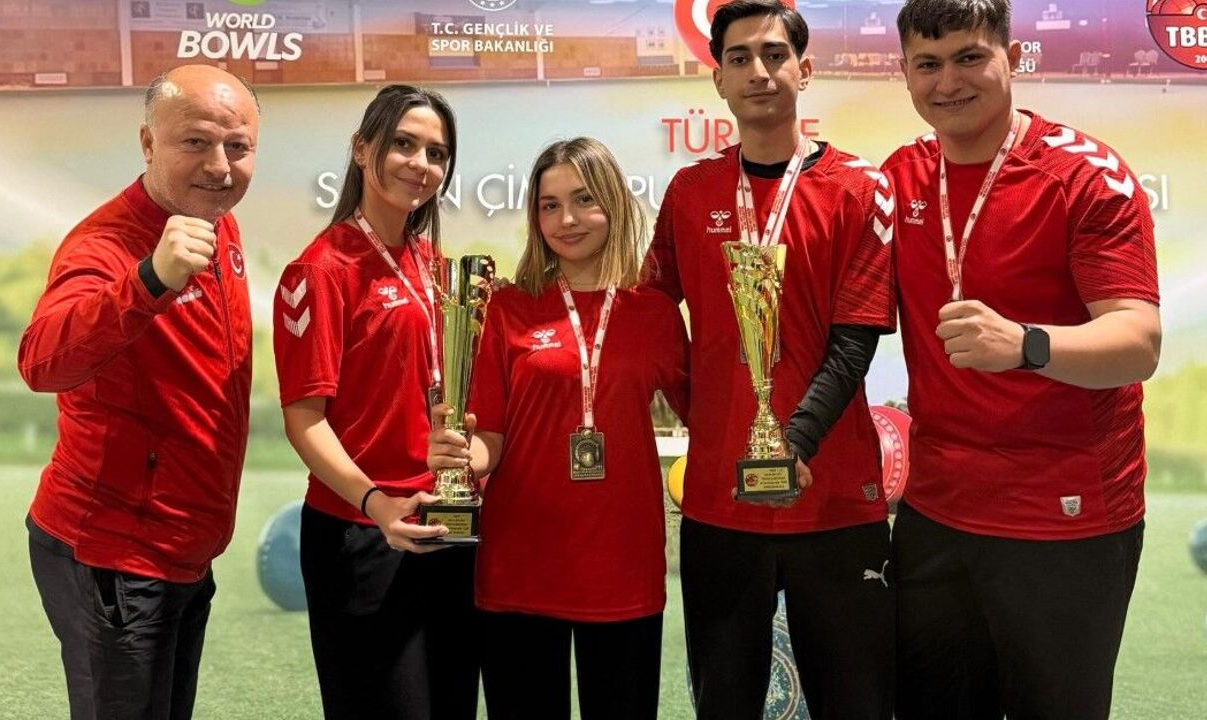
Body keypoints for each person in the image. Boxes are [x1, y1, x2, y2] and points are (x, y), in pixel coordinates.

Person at [882, 1, 1161, 718]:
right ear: (905, 73)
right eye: (928, 64)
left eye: (970, 58)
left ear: (1012, 57)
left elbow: (1138, 342)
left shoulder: (1085, 177)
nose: (949, 82)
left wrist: (1027, 344)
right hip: (937, 512)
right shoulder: (900, 177)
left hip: (1064, 515)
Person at [643, 1, 897, 717]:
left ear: (804, 70)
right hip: (720, 506)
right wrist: (706, 415)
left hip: (836, 501)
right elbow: (651, 319)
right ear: (718, 79)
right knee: (724, 704)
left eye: (775, 54)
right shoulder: (689, 193)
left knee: (858, 705)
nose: (759, 70)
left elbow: (855, 341)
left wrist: (794, 441)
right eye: (740, 57)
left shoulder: (860, 188)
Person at [18, 65, 260, 720]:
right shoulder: (105, 246)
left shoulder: (218, 223)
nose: (220, 166)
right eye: (196, 142)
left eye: (238, 147)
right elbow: (40, 362)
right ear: (148, 143)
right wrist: (149, 279)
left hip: (184, 550)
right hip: (116, 554)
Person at [427, 137, 689, 720]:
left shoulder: (655, 313)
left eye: (583, 200)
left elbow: (706, 411)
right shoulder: (507, 308)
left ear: (613, 203)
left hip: (622, 563)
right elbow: (490, 436)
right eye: (550, 205)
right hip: (521, 562)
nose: (566, 219)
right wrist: (459, 458)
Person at [272, 84, 478, 720]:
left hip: (443, 526)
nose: (421, 164)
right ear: (362, 150)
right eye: (403, 144)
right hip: (363, 533)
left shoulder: (433, 264)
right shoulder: (320, 269)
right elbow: (304, 420)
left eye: (436, 153)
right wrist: (377, 503)